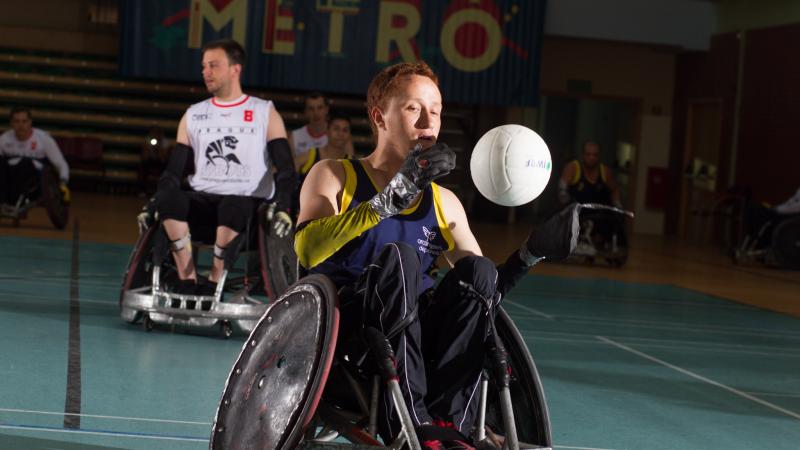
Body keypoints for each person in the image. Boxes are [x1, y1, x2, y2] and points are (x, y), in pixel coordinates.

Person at [294, 61, 579, 448]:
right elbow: (307, 250)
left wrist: (529, 255)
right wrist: (389, 200)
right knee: (403, 258)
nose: (429, 119)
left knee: (476, 270)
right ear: (380, 117)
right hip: (347, 340)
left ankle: (447, 424)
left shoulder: (444, 202)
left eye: (437, 110)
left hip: (415, 340)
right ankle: (411, 421)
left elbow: (482, 295)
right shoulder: (334, 175)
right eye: (414, 108)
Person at [152, 38, 295, 295]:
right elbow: (173, 172)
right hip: (203, 206)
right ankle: (187, 280)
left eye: (213, 66)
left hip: (246, 210)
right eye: (204, 66)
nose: (205, 72)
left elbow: (286, 168)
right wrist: (155, 202)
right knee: (169, 198)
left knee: (234, 203)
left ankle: (213, 282)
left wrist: (284, 204)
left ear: (235, 69)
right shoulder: (193, 115)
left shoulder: (264, 112)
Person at [558, 141, 625, 253]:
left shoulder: (605, 171)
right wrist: (565, 201)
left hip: (598, 211)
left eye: (595, 155)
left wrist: (617, 204)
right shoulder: (573, 167)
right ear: (583, 155)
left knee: (616, 216)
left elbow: (615, 189)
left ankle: (607, 244)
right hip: (577, 209)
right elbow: (562, 189)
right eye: (588, 154)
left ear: (599, 156)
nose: (591, 158)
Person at [0, 107, 70, 213]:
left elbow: (60, 163)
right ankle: (3, 202)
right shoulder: (4, 139)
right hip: (10, 177)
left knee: (25, 163)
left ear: (30, 122)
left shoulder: (44, 139)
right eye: (17, 121)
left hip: (35, 180)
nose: (21, 125)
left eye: (24, 121)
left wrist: (63, 182)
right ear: (11, 123)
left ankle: (13, 202)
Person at [294, 110, 352, 185]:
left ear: (349, 135)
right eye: (336, 129)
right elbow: (287, 172)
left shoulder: (352, 163)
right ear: (327, 130)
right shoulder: (310, 156)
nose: (340, 134)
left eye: (345, 130)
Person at [289, 92, 331, 158]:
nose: (316, 113)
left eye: (320, 108)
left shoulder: (340, 135)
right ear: (305, 112)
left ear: (326, 109)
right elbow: (290, 165)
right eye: (311, 109)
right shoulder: (295, 136)